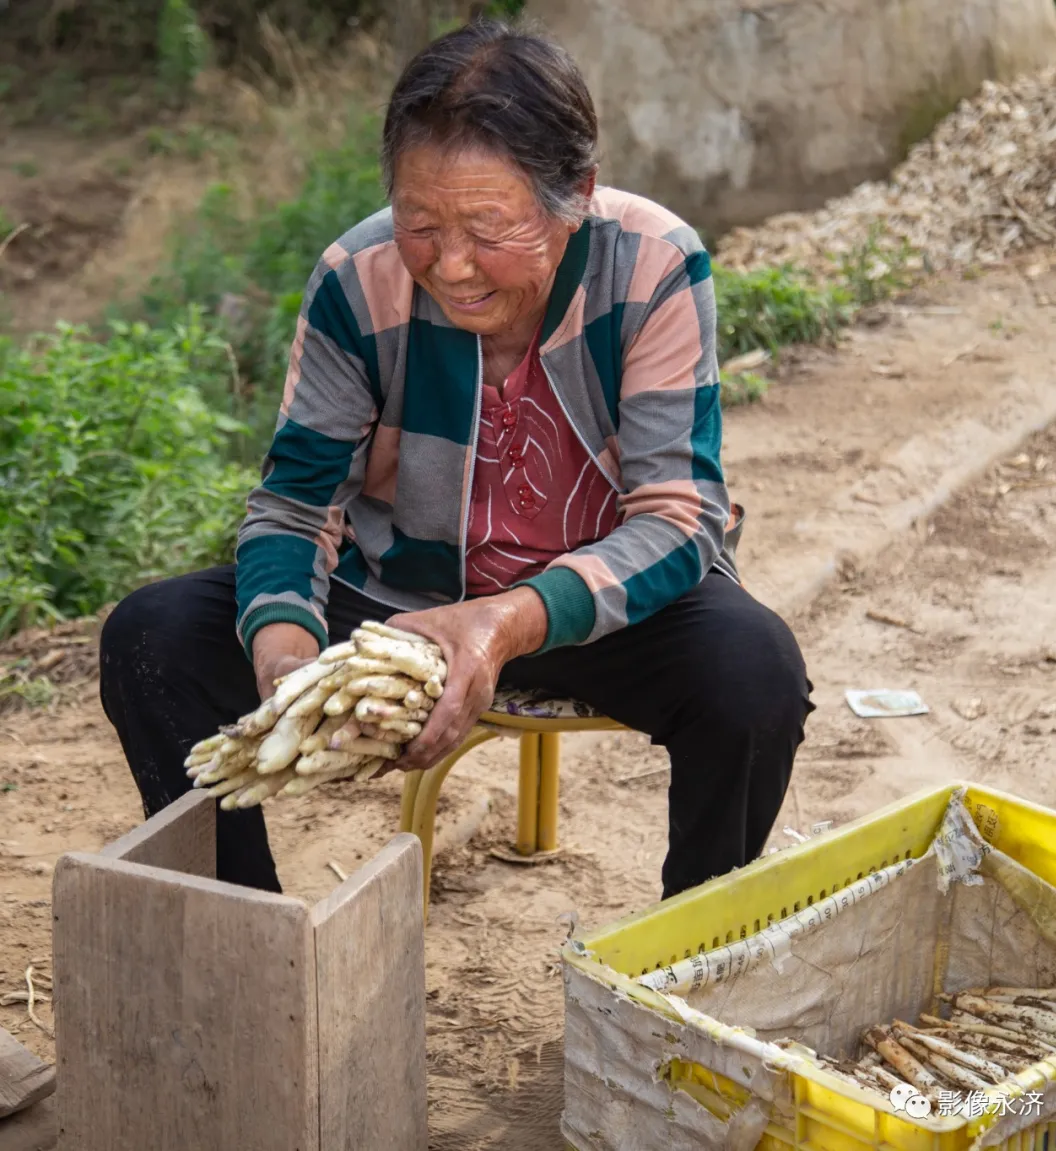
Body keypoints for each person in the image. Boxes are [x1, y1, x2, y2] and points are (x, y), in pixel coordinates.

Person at [98, 19, 813, 900]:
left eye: (488, 225)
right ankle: (245, 938)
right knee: (151, 638)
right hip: (407, 602)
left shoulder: (655, 266)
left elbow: (678, 514)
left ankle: (687, 957)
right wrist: (287, 657)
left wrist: (508, 620)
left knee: (755, 674)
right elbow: (293, 505)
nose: (453, 264)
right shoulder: (357, 279)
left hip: (597, 605)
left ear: (577, 193)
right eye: (420, 222)